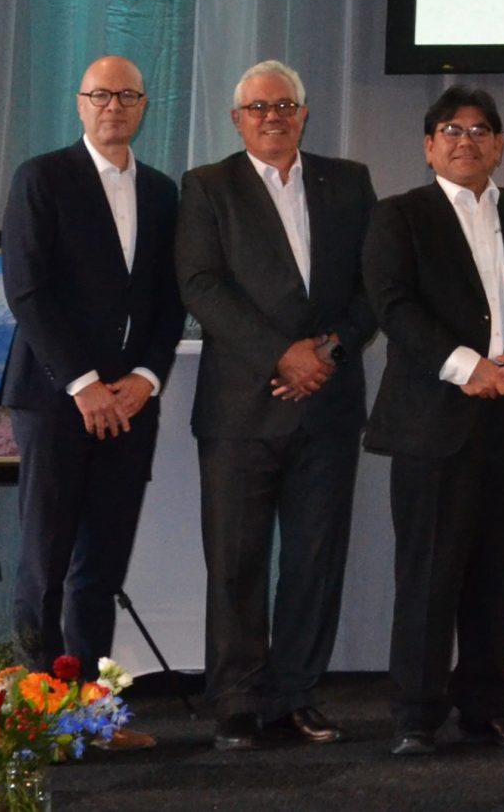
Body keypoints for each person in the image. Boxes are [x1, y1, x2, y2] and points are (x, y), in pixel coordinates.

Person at [362, 86, 504, 757]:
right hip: (433, 421)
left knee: (494, 573)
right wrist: (467, 365)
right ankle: (416, 717)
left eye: (480, 129)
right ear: (428, 146)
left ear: (499, 144)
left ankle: (487, 708)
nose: (466, 139)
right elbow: (394, 307)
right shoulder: (401, 215)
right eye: (451, 130)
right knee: (428, 572)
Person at [175, 60, 379, 750]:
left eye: (285, 103)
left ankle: (295, 695)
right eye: (258, 106)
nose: (272, 115)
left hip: (326, 403)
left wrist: (327, 351)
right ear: (237, 119)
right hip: (241, 409)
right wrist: (280, 353)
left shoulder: (348, 182)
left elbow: (371, 285)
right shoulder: (209, 186)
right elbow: (200, 284)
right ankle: (235, 700)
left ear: (304, 112)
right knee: (235, 560)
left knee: (314, 558)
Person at [0, 55, 184, 748]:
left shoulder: (163, 191)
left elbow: (171, 300)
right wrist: (83, 383)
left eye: (127, 94)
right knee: (44, 561)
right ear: (79, 104)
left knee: (100, 566)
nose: (114, 105)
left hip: (131, 403)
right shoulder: (42, 177)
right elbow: (26, 289)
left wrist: (145, 376)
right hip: (53, 398)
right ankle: (34, 715)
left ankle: (89, 714)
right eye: (100, 94)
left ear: (143, 105)